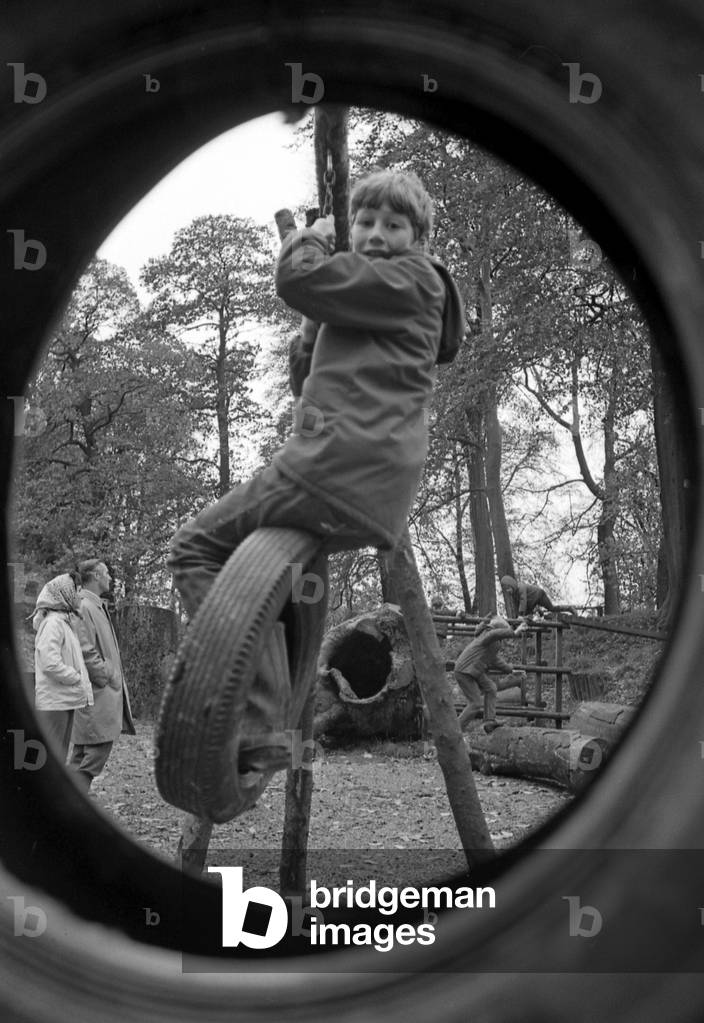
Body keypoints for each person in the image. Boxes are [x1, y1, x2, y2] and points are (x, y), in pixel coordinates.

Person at [168, 169, 465, 770]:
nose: (376, 234)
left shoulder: (412, 278)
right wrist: (310, 330)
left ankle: (260, 706)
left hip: (332, 466)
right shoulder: (378, 293)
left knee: (193, 547)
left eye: (394, 224)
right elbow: (307, 379)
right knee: (269, 577)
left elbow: (297, 277)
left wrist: (316, 239)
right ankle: (267, 710)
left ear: (420, 237)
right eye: (364, 222)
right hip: (369, 490)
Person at [69, 559, 135, 792]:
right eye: (106, 573)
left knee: (82, 756)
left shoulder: (94, 605)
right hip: (97, 693)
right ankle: (71, 807)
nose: (110, 577)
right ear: (96, 575)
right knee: (93, 754)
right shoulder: (84, 606)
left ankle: (64, 805)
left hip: (98, 693)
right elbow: (84, 650)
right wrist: (106, 674)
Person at [32, 572, 93, 761]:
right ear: (65, 593)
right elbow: (50, 663)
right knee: (51, 759)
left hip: (63, 699)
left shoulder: (64, 622)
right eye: (76, 590)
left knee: (58, 756)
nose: (79, 595)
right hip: (54, 702)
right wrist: (75, 677)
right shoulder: (53, 624)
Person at [453, 614, 527, 734]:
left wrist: (510, 670)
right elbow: (494, 634)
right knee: (475, 703)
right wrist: (514, 632)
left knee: (491, 688)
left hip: (474, 670)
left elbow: (494, 660)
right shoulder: (487, 635)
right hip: (465, 671)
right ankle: (455, 730)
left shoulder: (492, 643)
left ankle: (489, 721)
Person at [500, 575, 577, 621]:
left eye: (508, 588)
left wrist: (520, 615)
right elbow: (516, 606)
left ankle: (569, 608)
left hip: (539, 595)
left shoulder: (521, 587)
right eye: (506, 590)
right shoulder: (514, 595)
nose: (508, 591)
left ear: (512, 585)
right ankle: (537, 611)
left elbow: (523, 601)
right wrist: (517, 617)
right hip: (531, 602)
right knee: (527, 615)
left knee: (552, 608)